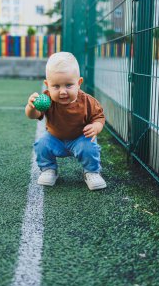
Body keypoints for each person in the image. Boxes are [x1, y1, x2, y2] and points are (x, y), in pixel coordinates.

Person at [25, 52, 107, 190]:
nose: (62, 91)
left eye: (68, 85)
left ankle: (91, 172)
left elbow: (99, 117)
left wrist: (96, 127)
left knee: (89, 146)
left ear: (79, 83)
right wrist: (30, 106)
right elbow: (33, 115)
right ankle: (49, 169)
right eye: (56, 86)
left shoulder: (87, 101)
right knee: (41, 144)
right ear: (47, 85)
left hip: (80, 138)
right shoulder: (47, 99)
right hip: (55, 138)